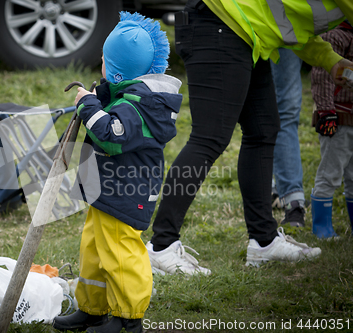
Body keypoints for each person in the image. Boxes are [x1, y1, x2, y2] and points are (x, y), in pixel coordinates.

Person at [147, 0, 353, 270]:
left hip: (247, 33)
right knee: (208, 138)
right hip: (221, 24)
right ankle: (161, 246)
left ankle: (264, 241)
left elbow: (286, 26)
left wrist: (331, 60)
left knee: (263, 131)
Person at [52, 12, 182, 333]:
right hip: (106, 193)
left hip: (127, 195)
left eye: (104, 61)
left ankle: (128, 318)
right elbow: (117, 111)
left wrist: (89, 107)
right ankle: (92, 308)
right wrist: (103, 97)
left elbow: (111, 137)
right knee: (94, 249)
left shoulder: (146, 107)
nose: (101, 65)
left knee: (121, 253)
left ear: (117, 69)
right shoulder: (130, 98)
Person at [310, 20, 353, 238]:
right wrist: (326, 112)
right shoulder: (335, 36)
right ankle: (322, 227)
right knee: (331, 173)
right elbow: (322, 76)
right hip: (338, 119)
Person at [270, 49, 307, 227]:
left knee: (287, 113)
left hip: (289, 34)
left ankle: (293, 202)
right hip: (252, 27)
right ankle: (266, 189)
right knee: (254, 111)